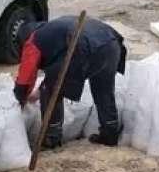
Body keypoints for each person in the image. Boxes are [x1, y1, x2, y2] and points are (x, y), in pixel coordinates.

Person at [13, 16, 127, 148]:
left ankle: (52, 138)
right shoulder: (54, 29)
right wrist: (35, 93)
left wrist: (19, 99)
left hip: (84, 48)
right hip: (112, 44)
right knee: (103, 89)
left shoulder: (33, 40)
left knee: (50, 91)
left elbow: (25, 78)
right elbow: (55, 71)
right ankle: (110, 134)